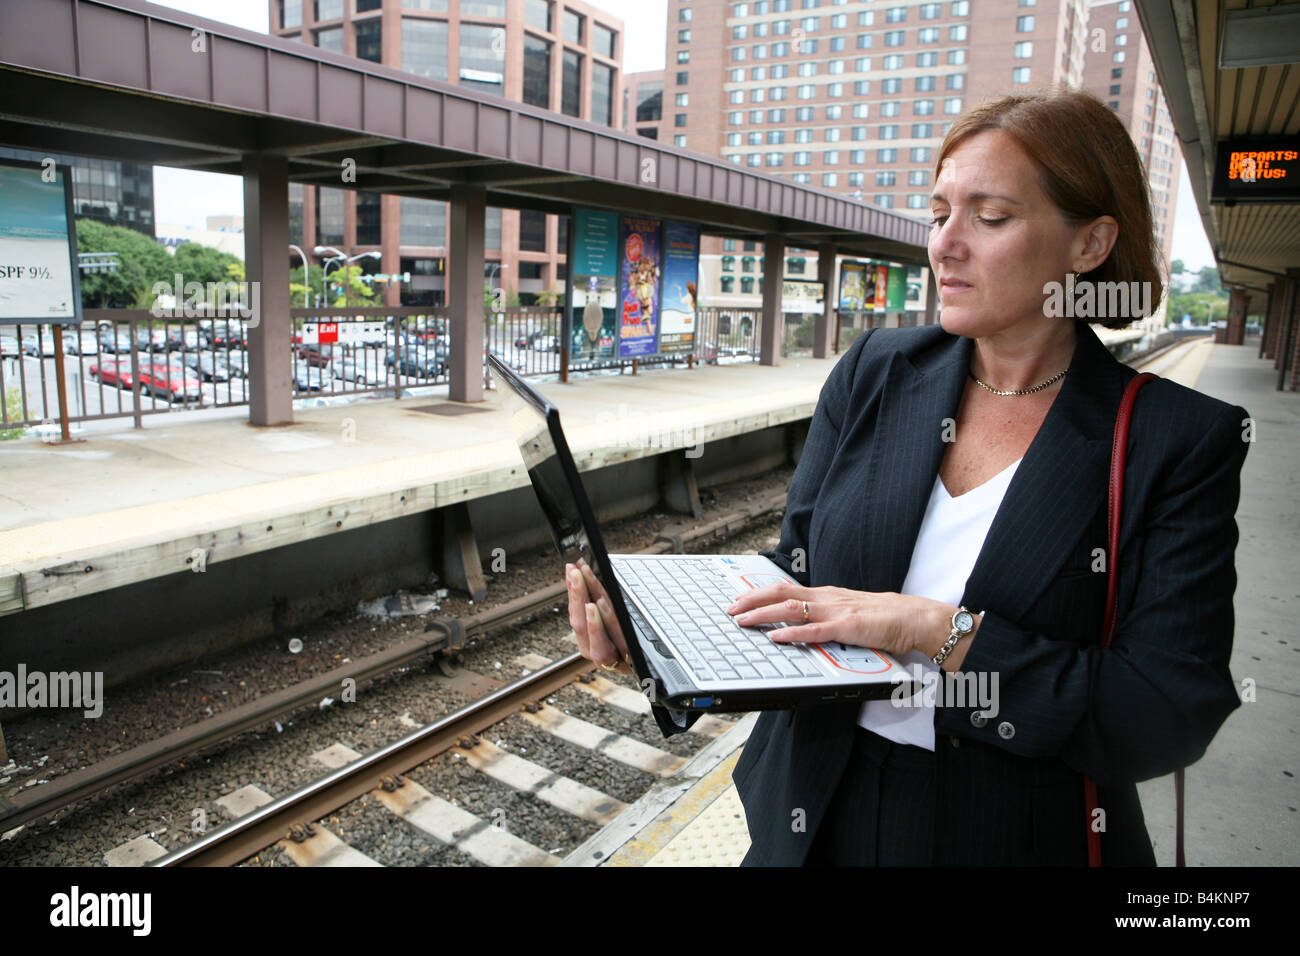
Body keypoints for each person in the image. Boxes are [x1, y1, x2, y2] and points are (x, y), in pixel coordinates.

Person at [565, 89, 1250, 865]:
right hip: (811, 810)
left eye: (990, 218)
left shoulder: (1176, 441)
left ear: (1090, 245)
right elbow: (800, 577)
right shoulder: (878, 371)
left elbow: (1164, 713)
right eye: (938, 213)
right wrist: (665, 638)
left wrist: (934, 631)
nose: (946, 245)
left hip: (1009, 834)